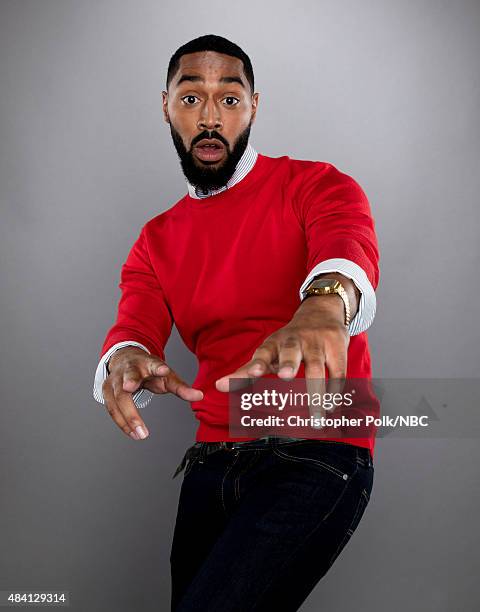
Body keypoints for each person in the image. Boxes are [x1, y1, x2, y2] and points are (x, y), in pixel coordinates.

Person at [92, 34, 380, 612]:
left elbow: (346, 249)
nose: (209, 116)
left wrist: (324, 304)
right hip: (211, 463)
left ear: (253, 107)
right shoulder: (156, 239)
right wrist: (125, 356)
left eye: (229, 98)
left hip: (315, 451)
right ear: (166, 106)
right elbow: (136, 323)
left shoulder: (315, 184)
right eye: (191, 97)